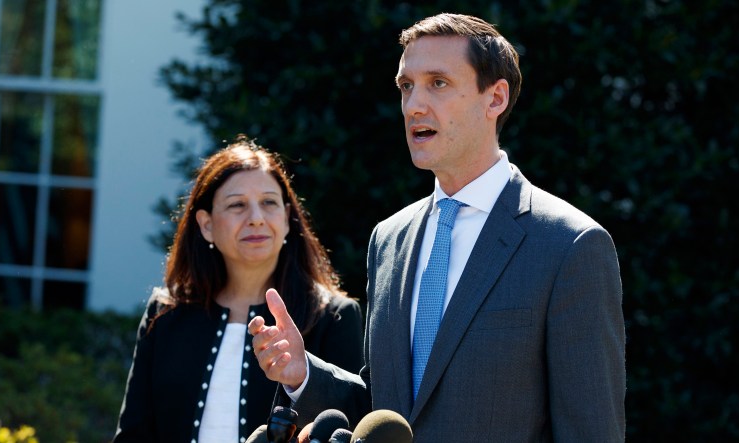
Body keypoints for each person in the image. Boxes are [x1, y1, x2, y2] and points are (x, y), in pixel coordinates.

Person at [248, 12, 626, 442]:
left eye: (438, 83)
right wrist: (304, 374)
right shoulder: (389, 239)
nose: (414, 105)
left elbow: (591, 430)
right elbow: (383, 410)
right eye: (406, 87)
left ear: (495, 98)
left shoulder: (570, 245)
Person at [113, 135, 364, 443]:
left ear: (286, 219)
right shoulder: (165, 312)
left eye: (269, 203)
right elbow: (133, 435)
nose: (256, 219)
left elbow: (351, 427)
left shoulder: (332, 317)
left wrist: (302, 382)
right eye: (237, 205)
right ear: (206, 225)